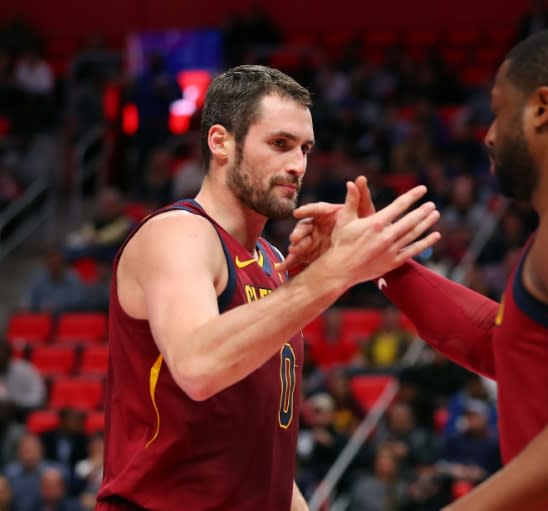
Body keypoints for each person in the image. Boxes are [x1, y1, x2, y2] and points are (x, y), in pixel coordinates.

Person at [282, 28, 548, 509]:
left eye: (499, 111)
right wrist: (385, 263)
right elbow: (501, 347)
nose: (489, 135)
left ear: (542, 108)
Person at [95, 64, 440, 511]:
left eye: (305, 149)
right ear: (220, 142)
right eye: (279, 144)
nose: (297, 165)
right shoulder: (179, 233)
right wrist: (335, 270)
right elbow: (199, 366)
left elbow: (261, 454)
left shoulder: (274, 263)